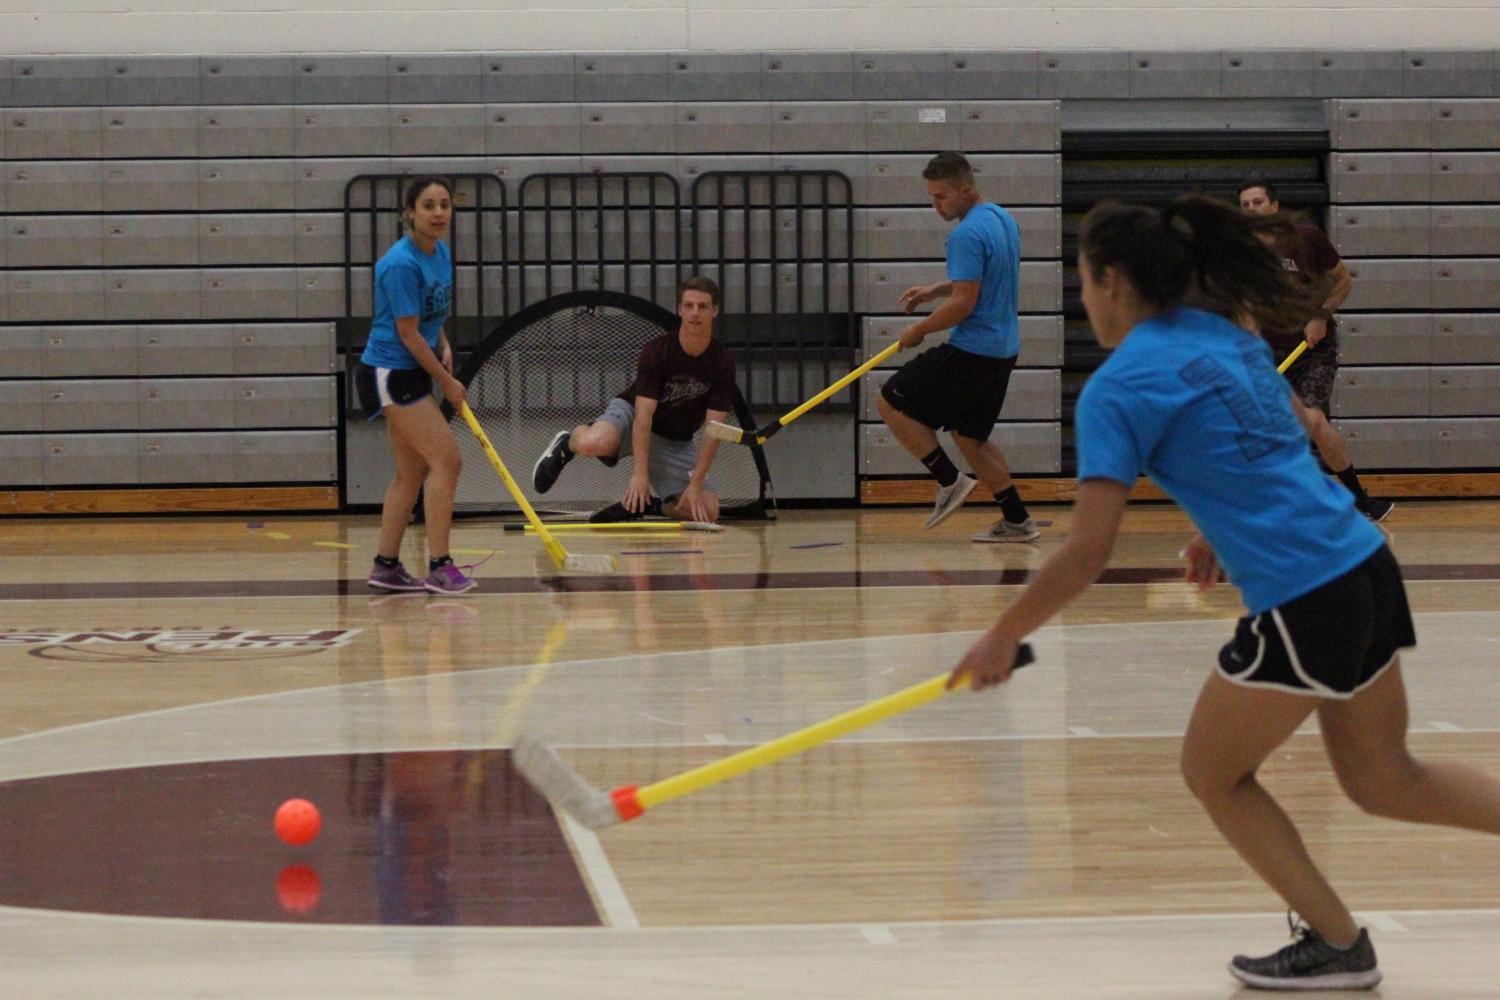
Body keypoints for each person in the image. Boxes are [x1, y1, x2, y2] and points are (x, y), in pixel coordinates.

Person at [947, 195, 1500, 991]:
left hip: (1306, 593)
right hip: (1364, 562)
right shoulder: (1224, 335)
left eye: (1082, 280)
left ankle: (1339, 944)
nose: (1084, 297)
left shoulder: (1117, 388)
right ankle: (1339, 943)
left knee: (1213, 773)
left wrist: (1003, 633)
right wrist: (1216, 526)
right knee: (1386, 779)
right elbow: (1279, 435)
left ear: (1107, 281)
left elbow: (1087, 549)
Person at [879, 151, 1037, 542]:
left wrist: (920, 329)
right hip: (1004, 350)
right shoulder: (1001, 218)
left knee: (888, 399)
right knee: (971, 437)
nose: (935, 206)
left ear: (965, 190)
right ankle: (1018, 520)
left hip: (973, 351)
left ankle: (949, 480)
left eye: (941, 197)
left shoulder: (964, 234)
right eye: (932, 197)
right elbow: (983, 278)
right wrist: (939, 288)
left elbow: (964, 305)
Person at [1238, 178, 1394, 522]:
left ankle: (1359, 500)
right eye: (1245, 205)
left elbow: (1343, 280)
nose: (1252, 210)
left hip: (1312, 347)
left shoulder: (1306, 239)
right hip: (1269, 351)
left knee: (1313, 419)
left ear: (1274, 206)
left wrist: (1321, 316)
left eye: (1258, 202)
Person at [531, 276, 733, 524]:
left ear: (714, 311)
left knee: (708, 512)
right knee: (594, 443)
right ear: (679, 309)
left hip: (674, 442)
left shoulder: (722, 362)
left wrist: (696, 484)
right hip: (631, 416)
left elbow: (714, 431)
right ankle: (568, 441)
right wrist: (640, 475)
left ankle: (652, 506)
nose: (695, 313)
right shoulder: (657, 351)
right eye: (688, 306)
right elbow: (643, 416)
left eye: (702, 306)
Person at [355, 176, 475, 595]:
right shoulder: (400, 264)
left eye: (445, 204)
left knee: (412, 473)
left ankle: (385, 565)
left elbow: (428, 318)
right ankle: (440, 565)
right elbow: (407, 334)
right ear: (410, 213)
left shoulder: (439, 253)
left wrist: (442, 343)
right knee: (448, 460)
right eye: (429, 205)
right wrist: (448, 384)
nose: (439, 213)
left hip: (413, 368)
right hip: (389, 372)